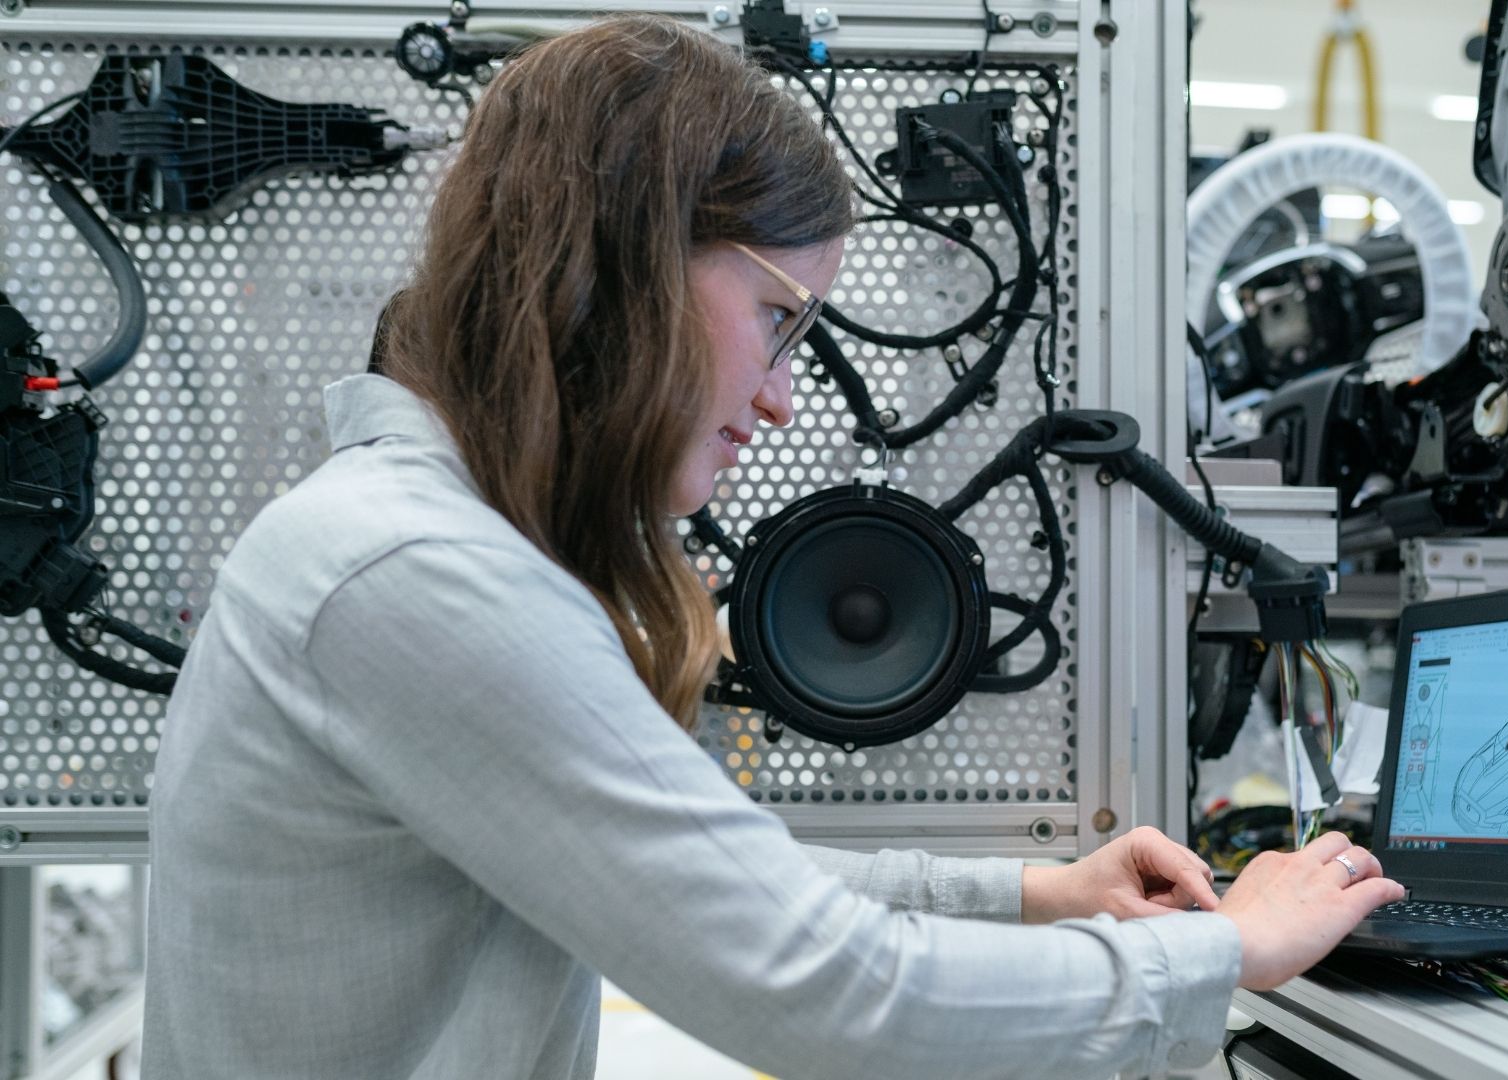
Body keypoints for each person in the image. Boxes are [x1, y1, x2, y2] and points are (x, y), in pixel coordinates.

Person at [141, 14, 1403, 1080]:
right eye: (778, 318)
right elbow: (831, 991)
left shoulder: (408, 542)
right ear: (624, 266)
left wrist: (1042, 895)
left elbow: (698, 876)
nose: (784, 398)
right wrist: (1225, 951)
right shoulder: (418, 575)